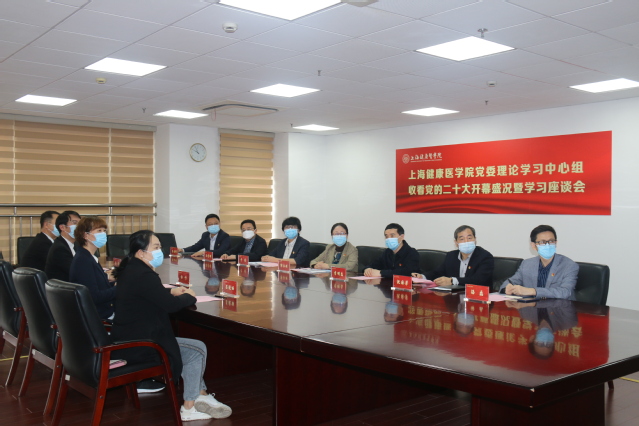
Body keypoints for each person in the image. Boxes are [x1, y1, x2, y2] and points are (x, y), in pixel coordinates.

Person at [112, 230, 232, 421]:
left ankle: (201, 394)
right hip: (142, 345)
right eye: (156, 247)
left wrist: (172, 292)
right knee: (197, 350)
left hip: (129, 337)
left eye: (160, 246)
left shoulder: (132, 269)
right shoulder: (144, 275)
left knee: (192, 348)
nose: (160, 251)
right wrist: (188, 296)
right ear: (141, 252)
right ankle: (189, 406)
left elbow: (151, 296)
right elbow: (170, 306)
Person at [500, 225, 579, 300]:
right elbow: (510, 281)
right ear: (534, 246)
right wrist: (507, 288)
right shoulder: (526, 264)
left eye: (551, 241)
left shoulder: (569, 265)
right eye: (542, 242)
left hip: (559, 308)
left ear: (556, 243)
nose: (547, 245)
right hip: (532, 307)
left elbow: (565, 292)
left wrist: (533, 291)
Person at [413, 225, 494, 288]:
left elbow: (478, 280)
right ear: (456, 243)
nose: (466, 241)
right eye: (462, 239)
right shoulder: (451, 256)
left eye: (469, 238)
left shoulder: (485, 257)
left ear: (475, 239)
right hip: (455, 297)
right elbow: (437, 273)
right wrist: (422, 277)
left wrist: (452, 281)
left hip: (478, 297)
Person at [69, 217, 115, 320]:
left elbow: (100, 286)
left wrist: (116, 284)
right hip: (99, 316)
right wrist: (119, 288)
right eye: (99, 231)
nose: (103, 234)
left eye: (104, 231)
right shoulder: (83, 261)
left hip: (100, 311)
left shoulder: (88, 256)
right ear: (85, 235)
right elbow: (95, 296)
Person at [45, 210, 81, 281]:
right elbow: (76, 272)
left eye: (80, 223)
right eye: (74, 223)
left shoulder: (76, 244)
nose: (79, 227)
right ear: (62, 227)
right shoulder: (59, 248)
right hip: (65, 286)